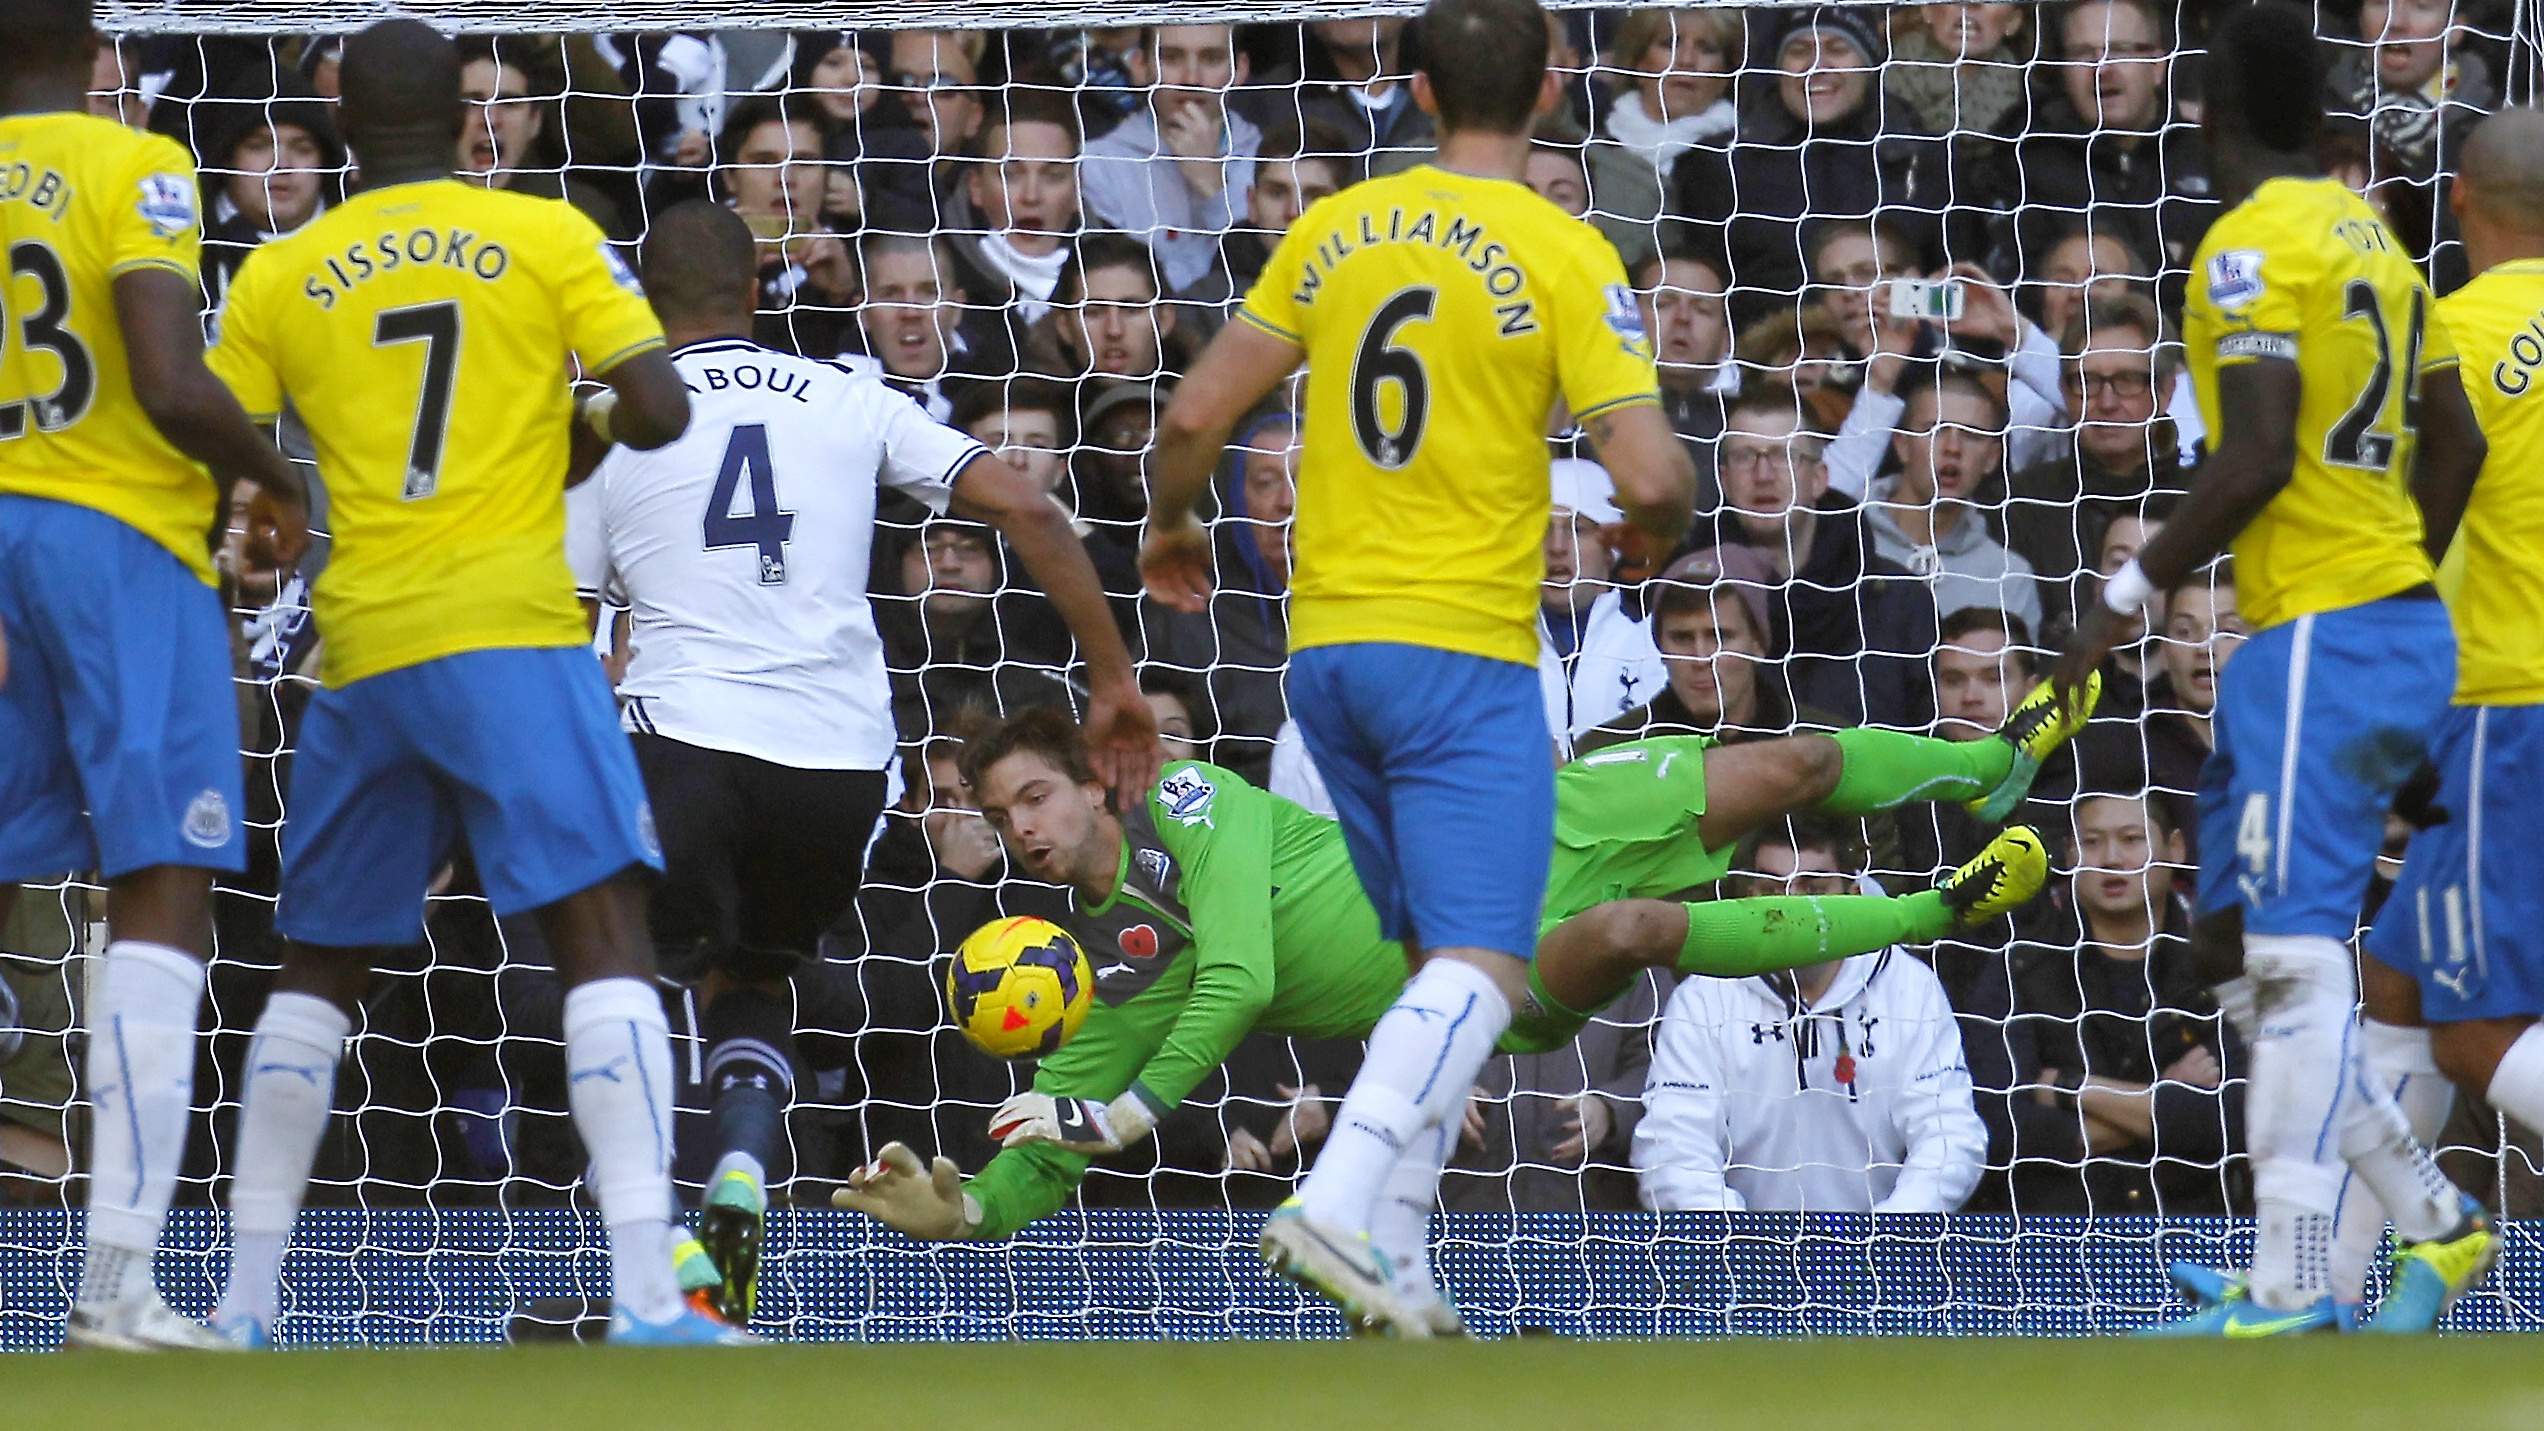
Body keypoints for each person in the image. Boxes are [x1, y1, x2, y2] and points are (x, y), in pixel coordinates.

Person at [833, 709, 2053, 1331]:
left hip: (1527, 829)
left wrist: (1130, 1108)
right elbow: (1055, 1127)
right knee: (1634, 934)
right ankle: (1933, 912)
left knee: (1789, 770)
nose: (1024, 829)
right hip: (1488, 970)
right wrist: (973, 1208)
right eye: (1000, 817)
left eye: (1035, 794)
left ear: (1095, 778)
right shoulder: (1107, 969)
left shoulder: (1191, 796)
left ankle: (1986, 761)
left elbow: (1243, 980)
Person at [1137, 0, 1698, 1332]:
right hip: (1463, 650)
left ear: (1424, 88)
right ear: (1556, 87)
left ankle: (1397, 1260)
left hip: (1324, 655)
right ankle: (1335, 1202)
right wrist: (1650, 532)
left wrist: (1169, 524)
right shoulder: (1564, 249)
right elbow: (1656, 471)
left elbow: (1198, 410)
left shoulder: (1334, 227)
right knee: (1490, 966)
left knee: (1427, 958)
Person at [195, 19, 737, 1347]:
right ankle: (650, 1293)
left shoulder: (279, 269)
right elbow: (660, 410)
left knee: (318, 962)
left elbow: (215, 436)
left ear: (341, 119)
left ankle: (246, 1303)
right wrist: (579, 419)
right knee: (600, 930)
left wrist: (272, 494)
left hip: (361, 641)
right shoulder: (545, 239)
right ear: (462, 118)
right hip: (510, 627)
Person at [562, 201, 1157, 1327]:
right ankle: (739, 1190)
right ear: (753, 292)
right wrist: (1115, 679)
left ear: (643, 302)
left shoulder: (609, 426)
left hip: (682, 737)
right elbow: (1027, 502)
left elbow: (569, 626)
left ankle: (647, 1268)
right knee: (757, 981)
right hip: (840, 765)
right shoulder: (845, 395)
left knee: (624, 977)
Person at [2051, 3, 2492, 1337]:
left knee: (2297, 962)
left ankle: (2291, 1279)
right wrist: (2392, 566)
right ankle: (2433, 1218)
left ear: (2207, 110)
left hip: (2321, 637)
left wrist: (2121, 597)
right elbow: (2455, 442)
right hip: (2376, 624)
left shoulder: (2248, 247)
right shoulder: (2381, 239)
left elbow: (2251, 457)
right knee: (2233, 945)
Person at [0, 0, 311, 1352]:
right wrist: (277, 474)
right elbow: (170, 375)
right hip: (120, 539)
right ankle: (117, 1282)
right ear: (95, 54)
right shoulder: (136, 164)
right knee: (163, 873)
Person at [2359, 106, 2544, 1330]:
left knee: (2477, 1033)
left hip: (2506, 707)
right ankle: (2327, 1292)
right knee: (2397, 993)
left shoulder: (2449, 335)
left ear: (2460, 206)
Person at [1635, 814, 1986, 1213]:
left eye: (1814, 889)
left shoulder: (1910, 986)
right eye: (1772, 889)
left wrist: (1885, 1243)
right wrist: (1741, 1250)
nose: (1792, 910)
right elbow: (1673, 1149)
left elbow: (1949, 1135)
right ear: (1747, 895)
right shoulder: (1703, 996)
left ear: (1853, 894)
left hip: (1881, 1260)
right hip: (1741, 1262)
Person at [1977, 789, 2247, 1215]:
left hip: (2196, 1230)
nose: (2112, 860)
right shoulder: (2020, 970)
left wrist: (2070, 1089)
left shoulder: (2221, 969)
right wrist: (2166, 1101)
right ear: (2069, 853)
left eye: (2132, 839)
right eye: (2092, 842)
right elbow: (1997, 1128)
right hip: (2051, 1241)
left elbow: (2235, 1120)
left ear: (2175, 848)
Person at [1080, 24, 1262, 296]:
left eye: (1211, 59)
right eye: (1172, 58)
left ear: (1240, 69)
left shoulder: (1270, 160)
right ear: (1140, 66)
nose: (1191, 78)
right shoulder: (1098, 165)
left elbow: (1271, 273)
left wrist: (1214, 190)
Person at [1864, 371, 2042, 632]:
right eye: (1935, 430)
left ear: (1992, 458)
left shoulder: (2009, 577)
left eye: (1971, 435)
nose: (1953, 448)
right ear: (1902, 446)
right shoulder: (1846, 541)